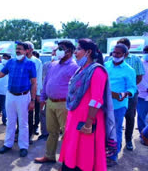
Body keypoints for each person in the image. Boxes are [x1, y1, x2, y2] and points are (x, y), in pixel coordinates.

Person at [58, 39, 117, 171]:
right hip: (75, 117)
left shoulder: (97, 71)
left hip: (87, 120)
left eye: (79, 49)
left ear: (88, 52)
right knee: (72, 147)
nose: (76, 53)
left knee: (85, 152)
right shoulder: (80, 70)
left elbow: (96, 100)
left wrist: (89, 123)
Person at [34, 40, 78, 164]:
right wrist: (43, 98)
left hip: (64, 104)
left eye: (61, 48)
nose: (58, 51)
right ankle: (49, 156)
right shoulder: (53, 64)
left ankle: (65, 162)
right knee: (52, 131)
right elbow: (47, 81)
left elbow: (76, 89)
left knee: (66, 134)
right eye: (58, 48)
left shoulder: (74, 67)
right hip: (50, 103)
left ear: (69, 51)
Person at [105, 44, 136, 167]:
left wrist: (125, 93)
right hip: (104, 103)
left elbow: (132, 88)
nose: (115, 55)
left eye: (119, 53)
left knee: (115, 130)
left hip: (118, 105)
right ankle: (103, 153)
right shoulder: (106, 66)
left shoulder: (129, 70)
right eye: (114, 53)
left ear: (125, 55)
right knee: (103, 130)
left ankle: (113, 156)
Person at [117, 38, 145, 150]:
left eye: (121, 46)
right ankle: (116, 141)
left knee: (130, 117)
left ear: (128, 47)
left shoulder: (136, 60)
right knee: (116, 117)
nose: (118, 49)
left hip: (131, 95)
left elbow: (139, 77)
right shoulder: (112, 60)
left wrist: (129, 88)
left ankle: (128, 140)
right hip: (116, 94)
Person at [25, 41, 43, 142]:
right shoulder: (19, 60)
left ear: (31, 50)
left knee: (33, 112)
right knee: (23, 113)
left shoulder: (37, 62)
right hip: (22, 91)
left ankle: (32, 130)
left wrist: (38, 93)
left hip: (33, 91)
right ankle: (21, 130)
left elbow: (39, 79)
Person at [38, 48, 57, 140]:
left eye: (55, 53)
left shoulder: (71, 66)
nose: (53, 54)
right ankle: (45, 133)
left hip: (62, 99)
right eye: (53, 53)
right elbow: (43, 80)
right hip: (48, 96)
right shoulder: (47, 65)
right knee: (44, 114)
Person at [137, 45, 148, 144]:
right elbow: (139, 78)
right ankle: (143, 136)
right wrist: (146, 88)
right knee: (141, 116)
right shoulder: (140, 63)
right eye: (145, 52)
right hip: (142, 94)